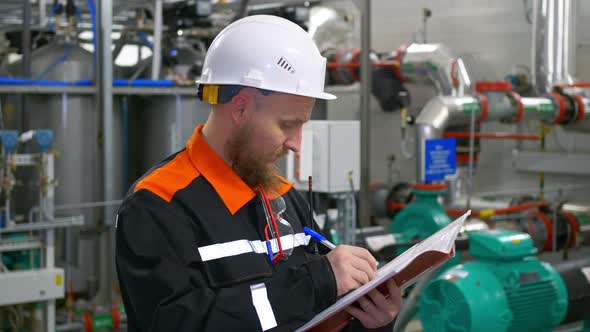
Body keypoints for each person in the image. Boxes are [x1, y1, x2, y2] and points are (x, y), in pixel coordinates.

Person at [115, 14, 402, 331]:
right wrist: (318, 281)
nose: (296, 144)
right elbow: (182, 323)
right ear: (240, 108)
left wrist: (369, 319)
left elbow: (320, 312)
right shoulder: (158, 205)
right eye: (287, 125)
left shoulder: (282, 195)